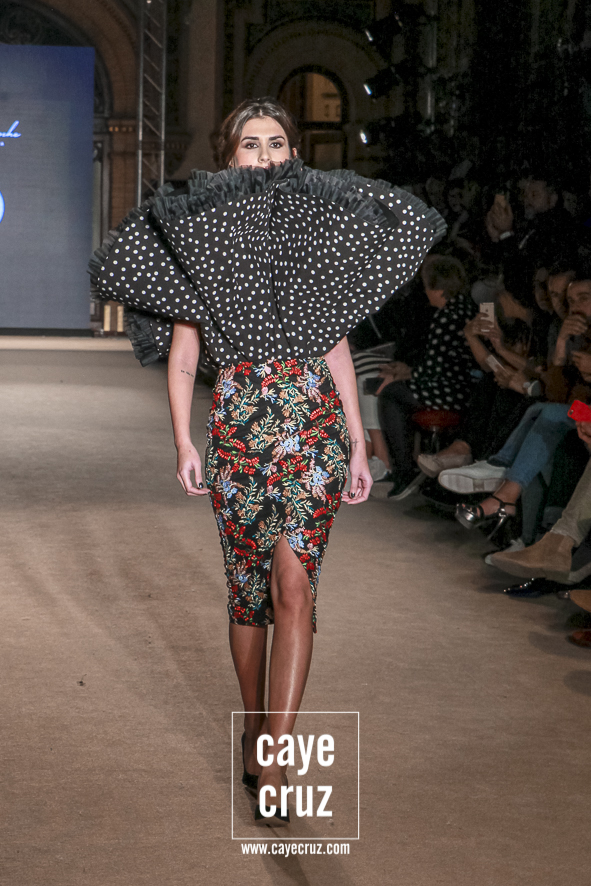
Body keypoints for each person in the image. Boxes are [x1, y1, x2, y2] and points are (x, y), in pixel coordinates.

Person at [89, 96, 443, 826]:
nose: (264, 154)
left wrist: (357, 441)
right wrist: (183, 440)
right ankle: (255, 724)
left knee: (294, 587)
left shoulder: (316, 234)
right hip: (240, 427)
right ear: (229, 157)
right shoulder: (203, 236)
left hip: (312, 424)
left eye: (276, 142)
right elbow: (183, 354)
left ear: (293, 155)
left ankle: (276, 754)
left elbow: (335, 345)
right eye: (250, 144)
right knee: (248, 593)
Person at [375, 254, 477, 500]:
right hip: (462, 387)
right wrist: (407, 371)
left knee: (391, 395)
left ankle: (403, 471)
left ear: (437, 288)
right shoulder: (467, 308)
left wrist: (403, 374)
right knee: (397, 390)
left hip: (449, 391)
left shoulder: (446, 316)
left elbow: (434, 369)